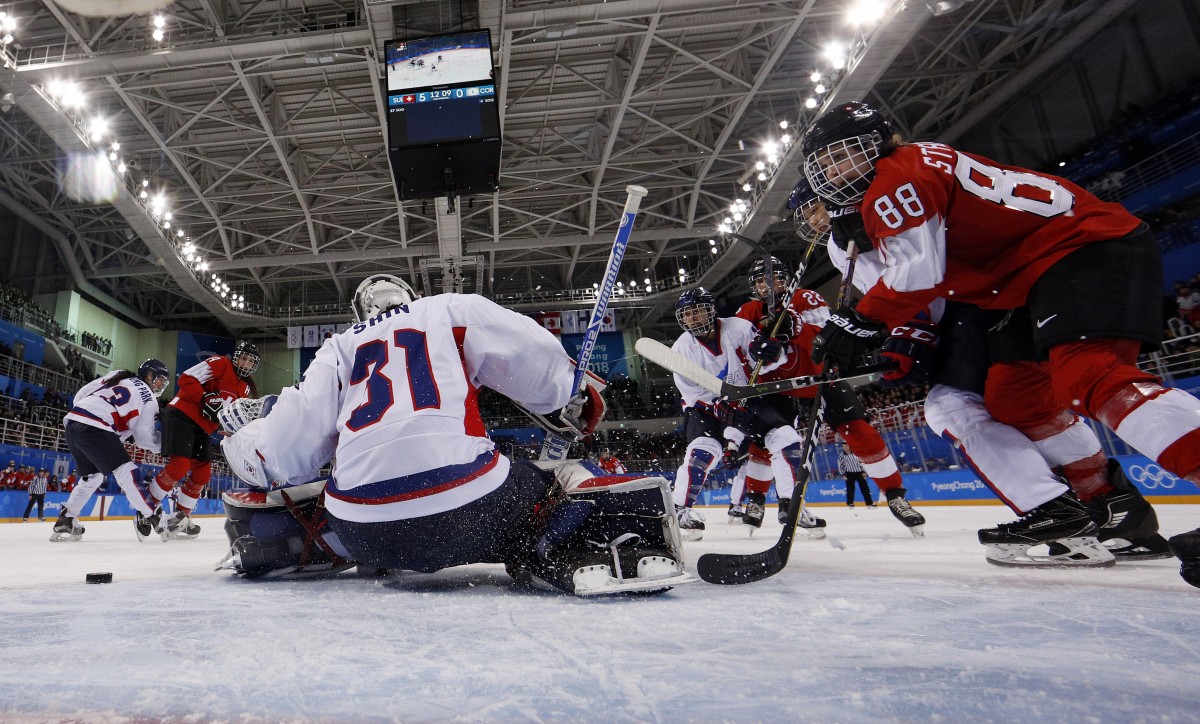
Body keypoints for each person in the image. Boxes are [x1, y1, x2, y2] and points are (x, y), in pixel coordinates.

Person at [802, 101, 1200, 545]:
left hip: (1077, 249)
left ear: (878, 146)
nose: (834, 172)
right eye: (824, 163)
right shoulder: (896, 178)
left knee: (1089, 375)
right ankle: (1114, 507)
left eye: (843, 155)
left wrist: (862, 323)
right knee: (1015, 399)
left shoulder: (897, 176)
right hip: (1021, 281)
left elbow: (916, 277)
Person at [216, 274, 693, 596]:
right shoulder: (446, 309)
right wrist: (568, 391)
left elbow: (278, 455)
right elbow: (534, 356)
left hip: (365, 534)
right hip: (469, 512)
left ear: (358, 311)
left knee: (340, 492)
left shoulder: (339, 348)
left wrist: (241, 438)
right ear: (411, 295)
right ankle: (587, 541)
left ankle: (293, 542)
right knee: (555, 477)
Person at [735, 256, 924, 535]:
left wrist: (794, 326)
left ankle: (895, 495)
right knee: (765, 442)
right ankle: (756, 500)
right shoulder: (748, 311)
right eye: (762, 280)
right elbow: (741, 348)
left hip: (820, 378)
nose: (768, 284)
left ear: (786, 278)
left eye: (773, 277)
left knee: (860, 432)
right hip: (778, 385)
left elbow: (825, 337)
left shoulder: (806, 298)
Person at [667, 287, 819, 535]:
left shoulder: (737, 327)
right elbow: (691, 395)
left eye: (697, 312)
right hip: (706, 408)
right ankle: (679, 512)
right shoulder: (681, 349)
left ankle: (792, 505)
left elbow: (764, 363)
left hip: (745, 398)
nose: (693, 319)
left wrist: (772, 354)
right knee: (703, 452)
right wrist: (717, 406)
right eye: (687, 315)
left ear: (710, 311)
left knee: (786, 439)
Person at [146, 340, 260, 540]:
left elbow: (229, 415)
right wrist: (204, 397)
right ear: (236, 357)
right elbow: (186, 379)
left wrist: (230, 429)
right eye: (243, 358)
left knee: (203, 474)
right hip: (182, 414)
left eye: (250, 361)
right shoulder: (221, 364)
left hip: (203, 428)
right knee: (179, 467)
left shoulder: (246, 389)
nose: (246, 364)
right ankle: (146, 506)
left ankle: (181, 517)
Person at [51, 360, 171, 542]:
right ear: (149, 375)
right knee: (126, 471)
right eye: (160, 379)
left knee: (93, 477)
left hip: (74, 422)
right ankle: (153, 514)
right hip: (96, 425)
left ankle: (66, 518)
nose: (161, 384)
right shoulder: (149, 399)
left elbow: (83, 393)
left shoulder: (120, 373)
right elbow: (145, 439)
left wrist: (87, 411)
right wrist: (167, 446)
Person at [838, 443, 875, 508]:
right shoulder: (842, 455)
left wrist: (863, 471)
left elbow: (861, 461)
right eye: (844, 446)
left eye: (846, 445)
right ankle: (850, 503)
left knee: (865, 488)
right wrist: (843, 474)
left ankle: (869, 503)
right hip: (849, 473)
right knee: (850, 489)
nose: (845, 447)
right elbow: (840, 466)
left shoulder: (856, 453)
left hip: (859, 472)